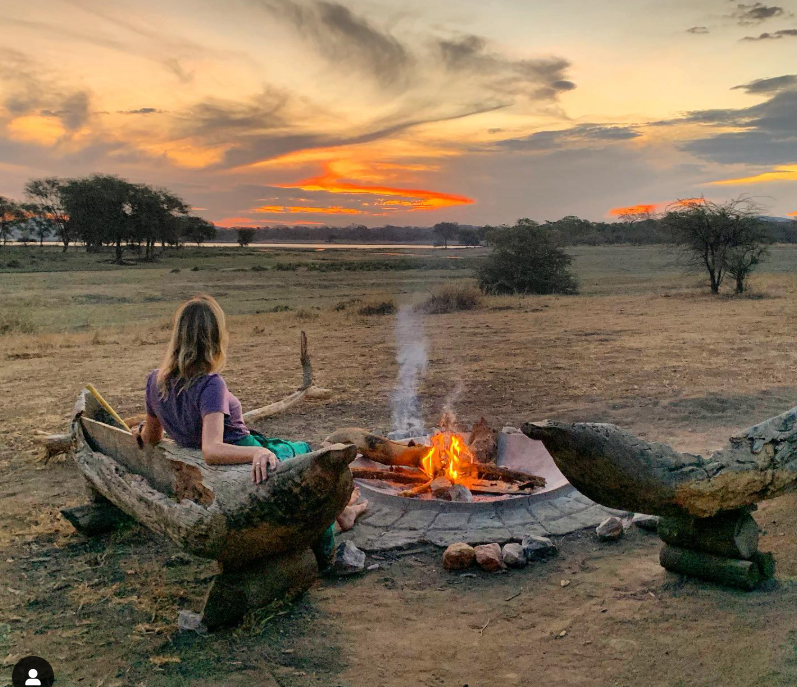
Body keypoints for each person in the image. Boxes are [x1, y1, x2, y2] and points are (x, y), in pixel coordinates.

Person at [132, 294, 367, 566]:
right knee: (308, 457)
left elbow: (152, 437)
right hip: (238, 454)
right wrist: (257, 452)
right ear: (214, 337)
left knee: (291, 450)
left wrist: (140, 431)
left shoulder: (155, 381)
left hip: (220, 453)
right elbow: (211, 449)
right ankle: (328, 552)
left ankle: (342, 514)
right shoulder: (209, 384)